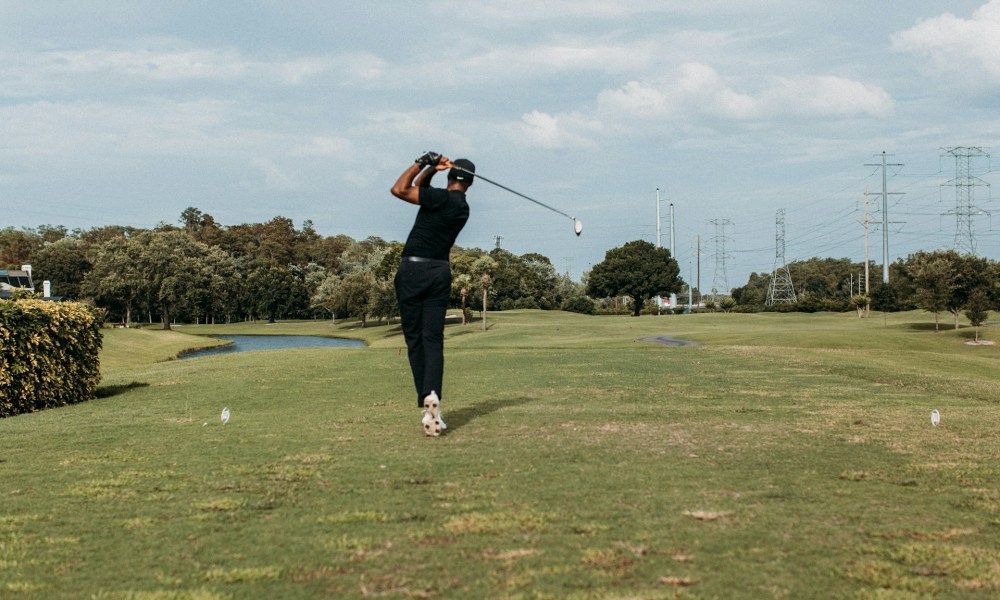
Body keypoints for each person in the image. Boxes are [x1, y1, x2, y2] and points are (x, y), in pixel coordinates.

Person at [390, 152, 474, 436]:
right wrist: (433, 171)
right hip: (439, 272)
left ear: (451, 177)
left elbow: (399, 189)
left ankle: (426, 397)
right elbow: (423, 191)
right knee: (433, 340)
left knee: (415, 341)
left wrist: (422, 162)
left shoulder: (439, 199)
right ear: (470, 184)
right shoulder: (462, 207)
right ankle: (432, 400)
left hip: (413, 271)